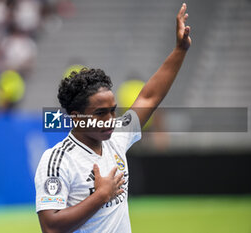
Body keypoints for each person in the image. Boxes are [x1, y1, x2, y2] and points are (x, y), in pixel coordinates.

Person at [35, 3, 191, 233]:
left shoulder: (116, 135)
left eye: (112, 110)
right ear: (77, 118)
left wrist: (180, 50)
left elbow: (149, 97)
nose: (110, 119)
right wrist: (100, 196)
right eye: (100, 113)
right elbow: (50, 227)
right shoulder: (57, 160)